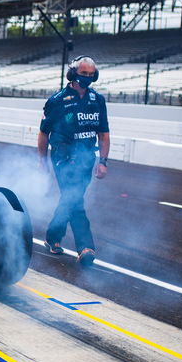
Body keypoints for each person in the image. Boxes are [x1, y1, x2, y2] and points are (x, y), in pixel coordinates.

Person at [37, 56, 110, 266]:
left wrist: (103, 161)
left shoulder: (98, 101)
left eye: (90, 74)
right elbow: (43, 133)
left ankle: (52, 236)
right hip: (63, 157)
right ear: (72, 74)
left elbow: (103, 134)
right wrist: (42, 160)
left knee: (70, 199)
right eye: (83, 73)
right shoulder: (58, 100)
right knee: (75, 200)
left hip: (87, 158)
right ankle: (86, 248)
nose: (87, 77)